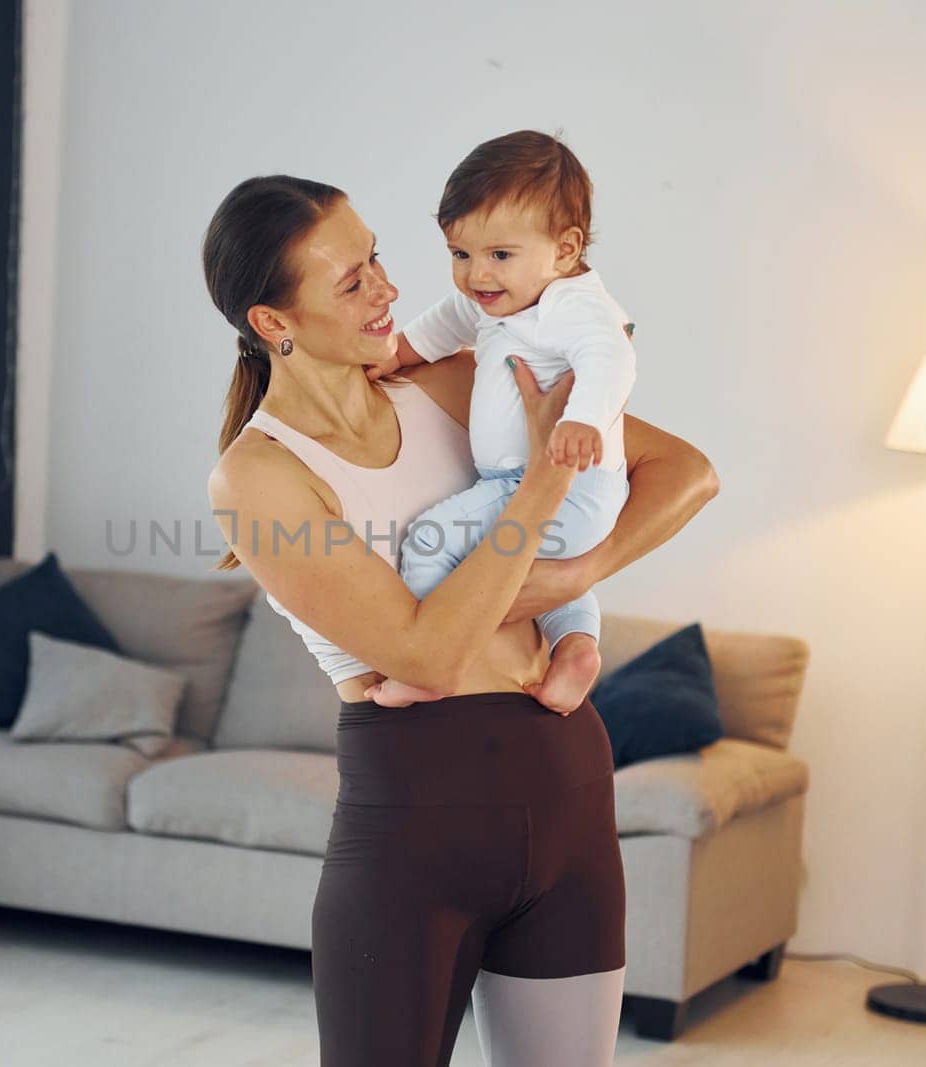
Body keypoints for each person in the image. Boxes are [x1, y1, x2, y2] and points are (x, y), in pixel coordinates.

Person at [203, 174, 718, 1066]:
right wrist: (546, 484)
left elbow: (687, 470)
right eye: (351, 280)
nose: (388, 289)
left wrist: (577, 573)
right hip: (416, 821)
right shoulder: (261, 478)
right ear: (272, 323)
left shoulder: (448, 383)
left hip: (567, 791)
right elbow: (430, 657)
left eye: (377, 260)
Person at [363, 130, 636, 715]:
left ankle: (428, 663)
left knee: (433, 540)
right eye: (460, 255)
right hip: (550, 493)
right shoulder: (500, 297)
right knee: (541, 573)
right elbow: (434, 331)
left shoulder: (573, 305)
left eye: (499, 255)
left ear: (565, 250)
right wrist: (392, 357)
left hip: (561, 485)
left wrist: (583, 419)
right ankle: (576, 649)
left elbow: (610, 356)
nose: (475, 275)